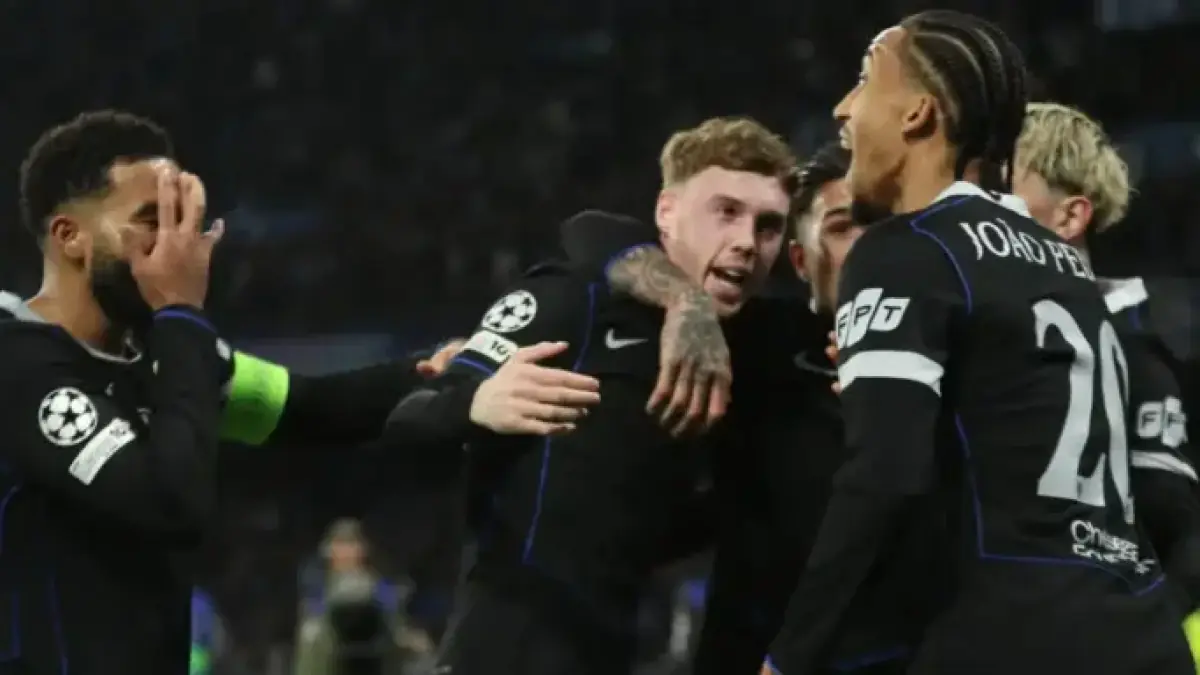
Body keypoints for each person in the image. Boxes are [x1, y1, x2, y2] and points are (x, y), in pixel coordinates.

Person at [0, 110, 594, 675]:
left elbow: (310, 409)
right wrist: (179, 311)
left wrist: (438, 374)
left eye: (183, 221)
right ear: (69, 236)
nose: (177, 246)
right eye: (151, 220)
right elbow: (168, 504)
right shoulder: (18, 363)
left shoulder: (157, 358)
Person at [765, 11, 1192, 675]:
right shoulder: (1063, 264)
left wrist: (788, 657)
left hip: (1010, 637)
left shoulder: (908, 248)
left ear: (918, 114)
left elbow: (884, 476)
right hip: (1143, 638)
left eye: (865, 81)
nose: (844, 107)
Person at [387, 116, 796, 675]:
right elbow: (409, 422)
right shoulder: (574, 300)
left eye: (768, 226)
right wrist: (474, 403)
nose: (747, 242)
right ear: (667, 212)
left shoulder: (748, 356)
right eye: (726, 212)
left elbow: (639, 526)